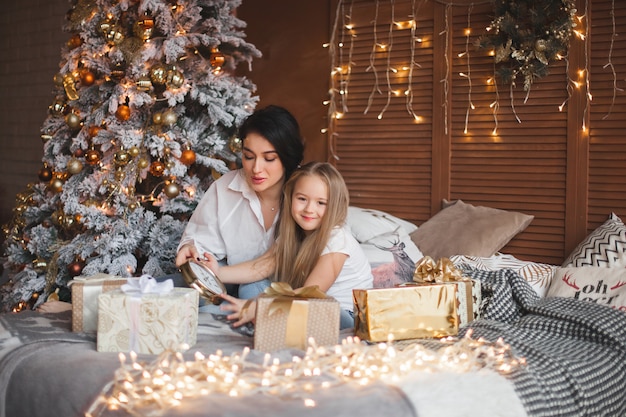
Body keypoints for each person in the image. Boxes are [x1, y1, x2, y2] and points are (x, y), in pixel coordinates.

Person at [199, 162, 374, 330]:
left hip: (343, 316)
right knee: (251, 286)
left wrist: (261, 307)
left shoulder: (337, 239)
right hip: (304, 305)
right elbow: (260, 267)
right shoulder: (293, 232)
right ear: (290, 198)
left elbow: (309, 295)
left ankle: (244, 314)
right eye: (302, 199)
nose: (309, 209)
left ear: (334, 205)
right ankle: (244, 313)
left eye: (321, 203)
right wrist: (216, 272)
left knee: (328, 310)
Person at [175, 105, 305, 299]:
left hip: (283, 283)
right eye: (248, 157)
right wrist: (190, 249)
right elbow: (199, 242)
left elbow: (271, 264)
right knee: (173, 290)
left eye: (269, 159)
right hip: (229, 274)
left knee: (251, 290)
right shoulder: (225, 188)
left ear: (288, 158)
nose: (256, 168)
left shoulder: (305, 192)